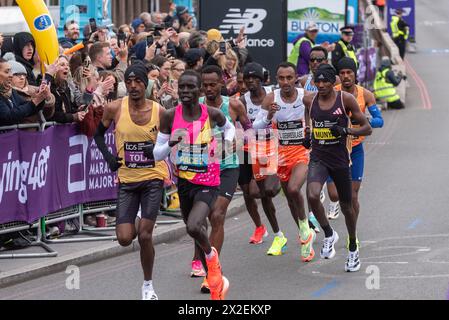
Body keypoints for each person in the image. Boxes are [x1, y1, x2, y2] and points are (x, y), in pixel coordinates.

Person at [153, 70, 234, 300]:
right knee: (194, 229)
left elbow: (228, 129)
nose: (186, 92)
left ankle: (212, 262)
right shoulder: (170, 116)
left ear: (199, 91)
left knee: (193, 226)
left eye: (190, 88)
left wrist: (223, 147)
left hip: (208, 180)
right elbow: (157, 154)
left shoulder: (211, 113)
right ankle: (216, 282)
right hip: (185, 182)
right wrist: (170, 143)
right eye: (182, 87)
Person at [94, 63, 169, 300]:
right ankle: (138, 218)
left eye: (138, 81)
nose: (134, 86)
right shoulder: (114, 108)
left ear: (146, 84)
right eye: (129, 81)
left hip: (153, 179)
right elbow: (97, 134)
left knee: (145, 236)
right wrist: (108, 158)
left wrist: (156, 150)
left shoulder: (160, 111)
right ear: (124, 84)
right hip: (127, 181)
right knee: (125, 239)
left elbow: (172, 141)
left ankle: (148, 286)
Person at [303, 64, 372, 272]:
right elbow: (309, 117)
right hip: (319, 158)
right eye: (318, 81)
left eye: (326, 81)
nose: (321, 85)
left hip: (340, 160)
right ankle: (328, 234)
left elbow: (367, 128)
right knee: (313, 195)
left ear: (334, 82)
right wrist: (308, 134)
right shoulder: (310, 99)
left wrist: (346, 130)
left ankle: (352, 247)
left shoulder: (346, 99)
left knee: (346, 206)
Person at [191, 65, 251, 291]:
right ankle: (202, 256)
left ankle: (213, 271)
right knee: (197, 220)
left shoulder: (233, 105)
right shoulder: (194, 108)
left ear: (221, 84)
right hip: (201, 169)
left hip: (227, 167)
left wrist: (240, 141)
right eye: (204, 85)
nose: (208, 89)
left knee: (217, 215)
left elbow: (249, 128)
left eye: (212, 84)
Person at [253, 62, 315, 262]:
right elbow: (257, 126)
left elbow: (318, 114)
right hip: (279, 154)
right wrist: (270, 115)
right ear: (276, 79)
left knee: (295, 189)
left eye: (289, 78)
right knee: (288, 197)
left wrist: (311, 130)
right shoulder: (271, 98)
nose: (285, 82)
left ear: (295, 78)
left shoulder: (304, 96)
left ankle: (305, 231)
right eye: (281, 78)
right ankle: (304, 235)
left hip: (301, 151)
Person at [326, 57, 383, 237]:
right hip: (334, 149)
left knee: (352, 196)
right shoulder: (332, 92)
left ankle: (353, 233)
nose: (345, 76)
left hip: (355, 149)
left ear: (355, 73)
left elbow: (379, 121)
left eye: (349, 72)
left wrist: (365, 120)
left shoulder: (366, 94)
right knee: (335, 195)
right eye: (342, 73)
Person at [238, 62, 282, 249]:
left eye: (254, 77)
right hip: (247, 150)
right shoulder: (242, 101)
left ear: (261, 79)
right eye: (247, 78)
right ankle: (259, 226)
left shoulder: (272, 93)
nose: (251, 81)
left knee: (263, 192)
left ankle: (277, 230)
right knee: (248, 192)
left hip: (268, 148)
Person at [0, 57, 49, 126]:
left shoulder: (11, 91)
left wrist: (41, 96)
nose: (11, 75)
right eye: (7, 72)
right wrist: (36, 101)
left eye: (24, 75)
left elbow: (28, 108)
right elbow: (7, 117)